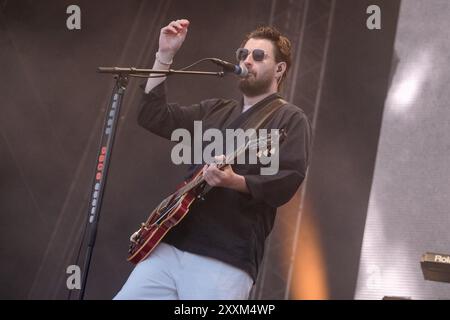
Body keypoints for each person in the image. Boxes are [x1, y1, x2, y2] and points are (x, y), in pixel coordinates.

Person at [114, 19, 311, 300]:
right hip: (170, 243)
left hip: (224, 257)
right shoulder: (215, 110)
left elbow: (288, 179)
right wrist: (165, 56)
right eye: (243, 55)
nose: (247, 61)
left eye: (258, 56)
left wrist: (236, 181)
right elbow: (153, 116)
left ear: (279, 69)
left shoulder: (289, 119)